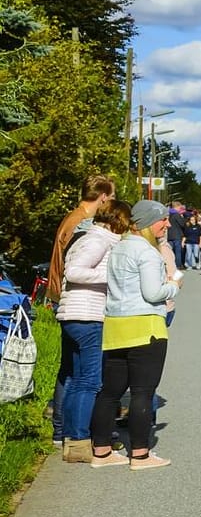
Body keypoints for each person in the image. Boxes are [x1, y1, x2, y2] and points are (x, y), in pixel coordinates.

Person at [91, 200, 179, 470]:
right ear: (145, 222)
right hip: (144, 327)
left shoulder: (118, 246)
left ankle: (101, 450)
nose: (167, 224)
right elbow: (152, 293)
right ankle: (140, 454)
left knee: (110, 392)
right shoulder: (148, 252)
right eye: (161, 220)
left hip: (116, 324)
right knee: (143, 391)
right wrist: (173, 286)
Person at [45, 174, 115, 450]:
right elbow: (72, 267)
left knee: (71, 370)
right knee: (80, 374)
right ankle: (69, 431)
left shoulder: (71, 217)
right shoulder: (82, 224)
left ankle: (63, 430)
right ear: (104, 197)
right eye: (110, 198)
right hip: (77, 303)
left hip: (65, 298)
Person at [53, 199, 124, 462]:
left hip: (74, 313)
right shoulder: (98, 241)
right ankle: (80, 440)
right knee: (90, 381)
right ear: (117, 221)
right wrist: (110, 277)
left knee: (75, 379)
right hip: (88, 316)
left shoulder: (87, 237)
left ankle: (71, 438)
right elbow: (74, 272)